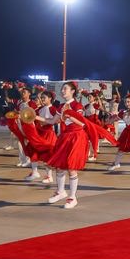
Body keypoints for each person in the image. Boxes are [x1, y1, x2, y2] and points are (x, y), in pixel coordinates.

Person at [38, 81, 89, 209]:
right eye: (62, 89)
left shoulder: (77, 105)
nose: (62, 91)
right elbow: (52, 121)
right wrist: (35, 117)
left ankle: (72, 197)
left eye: (65, 88)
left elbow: (82, 123)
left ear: (72, 91)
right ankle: (61, 192)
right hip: (65, 137)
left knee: (71, 167)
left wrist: (69, 115)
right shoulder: (61, 106)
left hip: (76, 137)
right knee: (59, 166)